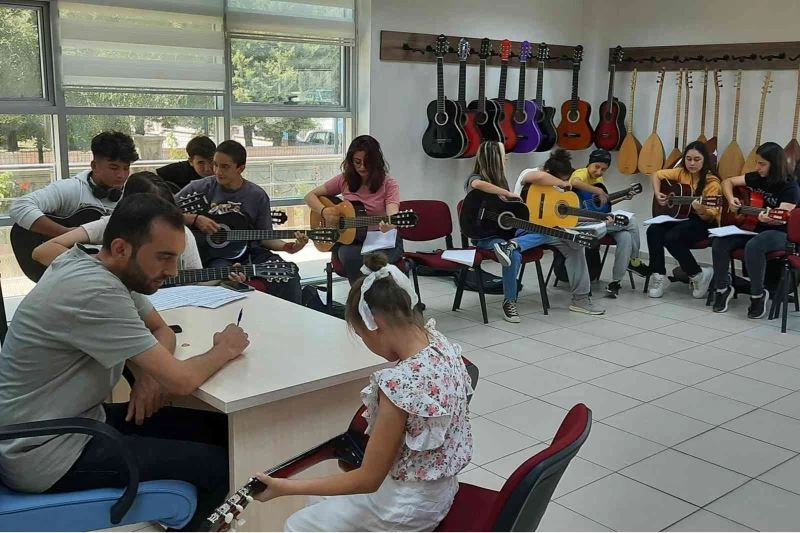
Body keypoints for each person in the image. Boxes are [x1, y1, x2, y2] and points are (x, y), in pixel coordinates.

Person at [0, 194, 250, 531]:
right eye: (163, 257)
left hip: (72, 424)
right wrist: (224, 348)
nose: (172, 271)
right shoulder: (95, 291)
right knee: (222, 465)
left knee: (226, 432)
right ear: (121, 248)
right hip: (47, 453)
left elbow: (161, 329)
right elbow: (181, 381)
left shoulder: (95, 266)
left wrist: (149, 372)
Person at [251, 252, 472, 531]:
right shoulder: (441, 345)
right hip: (438, 489)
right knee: (316, 501)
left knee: (297, 525)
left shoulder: (400, 384)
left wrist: (284, 487)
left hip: (406, 504)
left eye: (361, 335)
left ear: (375, 325)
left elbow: (368, 480)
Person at [28, 172, 249, 285]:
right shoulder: (108, 225)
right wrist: (108, 270)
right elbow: (42, 251)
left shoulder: (182, 236)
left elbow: (197, 280)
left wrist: (224, 279)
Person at [178, 140, 306, 303]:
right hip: (215, 257)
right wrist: (194, 219)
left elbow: (265, 236)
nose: (217, 171)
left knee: (290, 273)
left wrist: (289, 247)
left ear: (241, 168)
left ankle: (289, 321)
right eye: (215, 165)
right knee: (217, 281)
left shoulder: (256, 195)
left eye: (225, 167)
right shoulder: (201, 187)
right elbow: (161, 212)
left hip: (251, 253)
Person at [506, 148, 606, 317]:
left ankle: (580, 299)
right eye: (559, 179)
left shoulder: (557, 191)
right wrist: (560, 183)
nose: (560, 183)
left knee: (576, 246)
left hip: (549, 231)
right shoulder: (530, 173)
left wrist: (598, 219)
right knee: (550, 232)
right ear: (548, 171)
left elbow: (560, 218)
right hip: (524, 228)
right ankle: (513, 244)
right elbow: (537, 177)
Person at [711, 142, 800, 317]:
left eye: (762, 164)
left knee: (754, 246)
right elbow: (727, 181)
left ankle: (758, 295)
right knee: (720, 241)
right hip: (753, 227)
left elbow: (781, 218)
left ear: (774, 165)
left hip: (781, 234)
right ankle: (722, 289)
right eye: (757, 162)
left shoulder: (790, 187)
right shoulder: (757, 177)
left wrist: (768, 218)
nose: (757, 167)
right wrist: (731, 200)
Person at [305, 135, 403, 284]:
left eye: (367, 162)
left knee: (375, 262)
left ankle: (383, 301)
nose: (362, 167)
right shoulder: (344, 179)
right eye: (357, 162)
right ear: (350, 161)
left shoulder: (389, 183)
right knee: (351, 256)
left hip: (381, 239)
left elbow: (392, 211)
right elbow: (310, 196)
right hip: (352, 241)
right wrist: (324, 211)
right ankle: (359, 299)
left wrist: (391, 223)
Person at [9, 131, 138, 238]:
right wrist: (65, 234)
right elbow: (20, 206)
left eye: (126, 168)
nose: (121, 175)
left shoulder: (132, 196)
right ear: (95, 166)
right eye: (114, 168)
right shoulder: (71, 189)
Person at [569, 148, 650, 297]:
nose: (599, 172)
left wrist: (623, 197)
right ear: (590, 163)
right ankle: (634, 260)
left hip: (598, 219)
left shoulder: (599, 180)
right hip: (580, 222)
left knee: (625, 236)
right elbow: (574, 182)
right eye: (597, 167)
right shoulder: (581, 173)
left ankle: (615, 282)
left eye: (604, 169)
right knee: (631, 221)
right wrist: (597, 191)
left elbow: (604, 204)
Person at [648, 141, 721, 299]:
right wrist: (657, 192)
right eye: (688, 159)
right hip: (681, 217)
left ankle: (697, 275)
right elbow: (656, 174)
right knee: (653, 230)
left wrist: (700, 208)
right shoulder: (681, 173)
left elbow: (710, 216)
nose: (692, 163)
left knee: (671, 237)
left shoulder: (712, 183)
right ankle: (658, 274)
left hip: (703, 222)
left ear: (705, 161)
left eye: (697, 159)